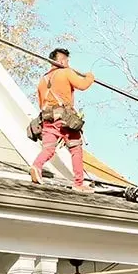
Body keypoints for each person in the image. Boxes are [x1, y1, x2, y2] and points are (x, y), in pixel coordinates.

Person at [30, 48, 95, 190]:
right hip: (65, 119)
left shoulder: (43, 80)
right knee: (75, 148)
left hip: (47, 119)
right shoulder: (66, 72)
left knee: (48, 149)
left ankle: (36, 166)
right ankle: (78, 183)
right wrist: (90, 77)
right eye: (66, 60)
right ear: (60, 61)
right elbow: (82, 85)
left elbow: (41, 103)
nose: (68, 63)